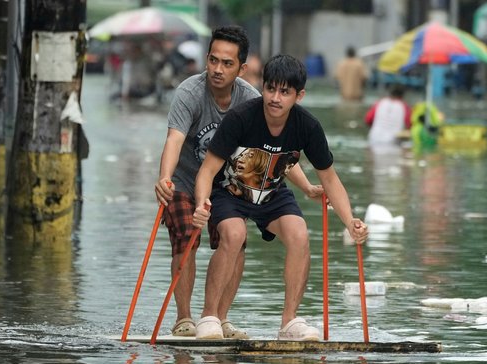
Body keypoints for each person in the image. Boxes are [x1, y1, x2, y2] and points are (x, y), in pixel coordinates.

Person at [154, 27, 321, 339]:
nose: (217, 69)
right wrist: (164, 177)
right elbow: (174, 140)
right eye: (213, 60)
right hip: (188, 178)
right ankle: (185, 318)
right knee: (186, 233)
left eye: (227, 63)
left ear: (242, 68)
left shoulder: (251, 99)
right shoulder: (189, 93)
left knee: (236, 238)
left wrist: (307, 186)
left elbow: (275, 154)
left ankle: (220, 318)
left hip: (230, 183)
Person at [191, 54, 369, 341]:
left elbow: (330, 179)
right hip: (231, 191)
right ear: (263, 87)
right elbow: (207, 170)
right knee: (234, 234)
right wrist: (201, 204)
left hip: (273, 193)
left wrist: (350, 222)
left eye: (284, 92)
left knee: (299, 234)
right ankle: (209, 316)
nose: (275, 98)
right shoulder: (241, 118)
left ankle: (289, 322)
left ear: (299, 95)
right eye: (270, 89)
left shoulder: (307, 127)